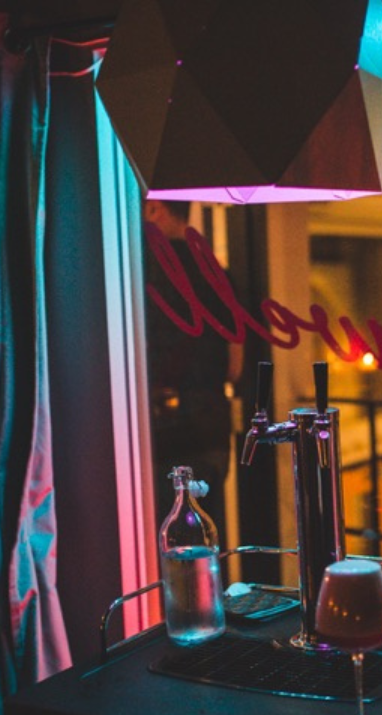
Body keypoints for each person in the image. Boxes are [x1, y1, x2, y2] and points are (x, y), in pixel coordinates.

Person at [142, 199, 242, 543]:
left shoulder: (138, 273)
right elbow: (234, 368)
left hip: (158, 431)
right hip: (209, 428)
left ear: (156, 209)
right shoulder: (217, 273)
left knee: (164, 543)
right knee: (206, 537)